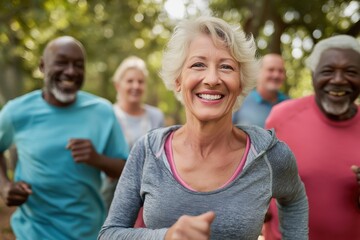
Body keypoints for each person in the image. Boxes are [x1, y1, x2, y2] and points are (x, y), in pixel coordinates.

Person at [98, 16, 308, 240]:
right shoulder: (149, 150)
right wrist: (165, 236)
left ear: (240, 84)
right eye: (198, 64)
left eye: (226, 67)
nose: (212, 78)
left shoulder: (269, 155)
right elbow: (109, 234)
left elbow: (295, 199)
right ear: (179, 80)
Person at [0, 36, 129, 240]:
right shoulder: (16, 112)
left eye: (78, 65)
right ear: (43, 66)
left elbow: (127, 170)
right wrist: (4, 186)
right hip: (33, 232)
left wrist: (97, 159)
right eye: (61, 62)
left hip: (89, 233)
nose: (71, 71)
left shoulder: (102, 111)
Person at [264, 35, 360, 240]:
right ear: (313, 74)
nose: (338, 80)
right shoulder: (281, 117)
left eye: (351, 72)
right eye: (328, 71)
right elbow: (258, 181)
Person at [101, 56, 164, 215]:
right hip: (112, 192)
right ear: (118, 85)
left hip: (149, 193)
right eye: (130, 81)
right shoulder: (108, 115)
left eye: (140, 81)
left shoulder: (156, 116)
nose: (135, 86)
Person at [232, 53, 288, 128]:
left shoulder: (290, 104)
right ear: (258, 72)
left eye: (280, 71)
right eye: (271, 70)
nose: (276, 75)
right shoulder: (239, 102)